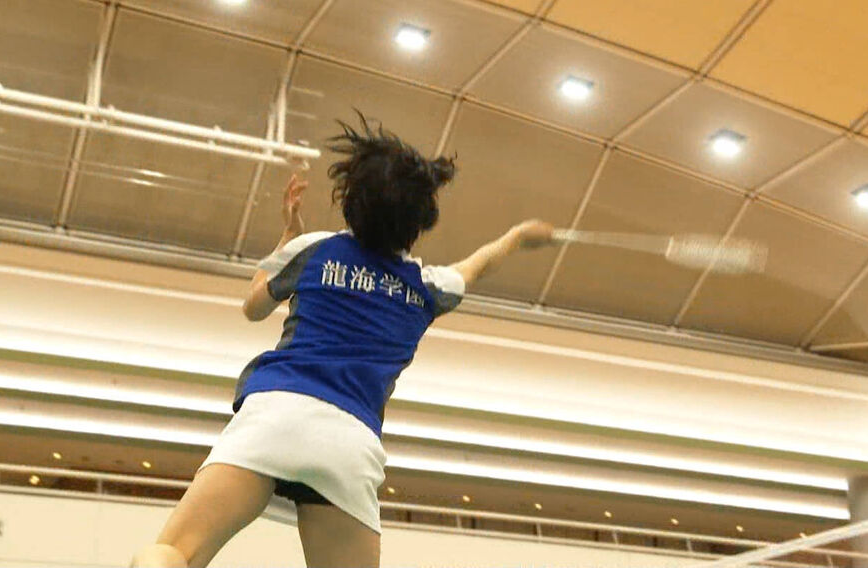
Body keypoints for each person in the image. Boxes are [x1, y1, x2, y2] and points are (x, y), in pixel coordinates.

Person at [131, 115, 555, 568]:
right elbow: (479, 264)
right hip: (347, 443)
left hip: (273, 414)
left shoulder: (315, 248)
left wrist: (287, 236)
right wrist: (517, 237)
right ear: (419, 221)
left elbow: (253, 306)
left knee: (172, 551)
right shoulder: (428, 287)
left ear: (350, 200)